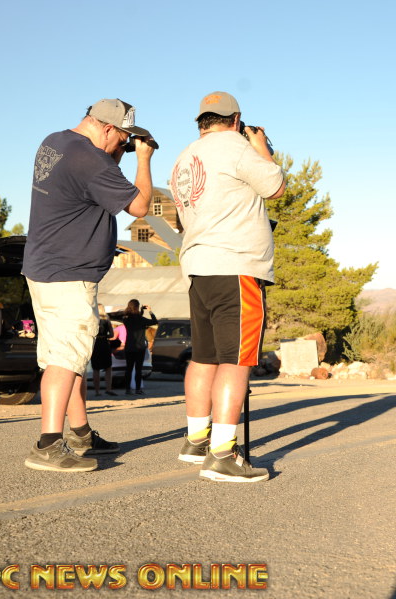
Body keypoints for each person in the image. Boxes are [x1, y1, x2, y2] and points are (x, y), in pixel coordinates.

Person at [22, 98, 155, 471]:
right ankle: (48, 445)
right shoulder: (91, 160)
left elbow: (97, 176)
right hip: (69, 274)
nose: (122, 146)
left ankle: (80, 433)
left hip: (44, 267)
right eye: (123, 139)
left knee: (69, 357)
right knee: (65, 360)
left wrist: (118, 153)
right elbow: (140, 207)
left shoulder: (56, 141)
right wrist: (143, 159)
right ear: (108, 128)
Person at [170, 91, 285, 483]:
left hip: (198, 266)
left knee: (204, 358)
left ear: (202, 120)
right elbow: (275, 186)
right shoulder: (236, 146)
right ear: (236, 120)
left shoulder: (185, 157)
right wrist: (261, 147)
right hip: (236, 265)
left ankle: (196, 440)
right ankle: (222, 454)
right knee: (237, 361)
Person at [112, 299, 157, 395]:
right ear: (137, 307)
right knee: (138, 369)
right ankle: (138, 389)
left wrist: (140, 311)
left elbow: (130, 316)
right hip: (140, 347)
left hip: (129, 346)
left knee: (128, 369)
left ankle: (128, 389)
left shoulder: (126, 319)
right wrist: (149, 311)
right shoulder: (141, 319)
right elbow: (154, 321)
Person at [91, 304, 118, 397]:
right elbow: (112, 335)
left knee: (96, 369)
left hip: (95, 344)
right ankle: (108, 389)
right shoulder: (106, 320)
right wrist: (106, 335)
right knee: (108, 368)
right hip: (104, 344)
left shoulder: (93, 319)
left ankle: (97, 391)